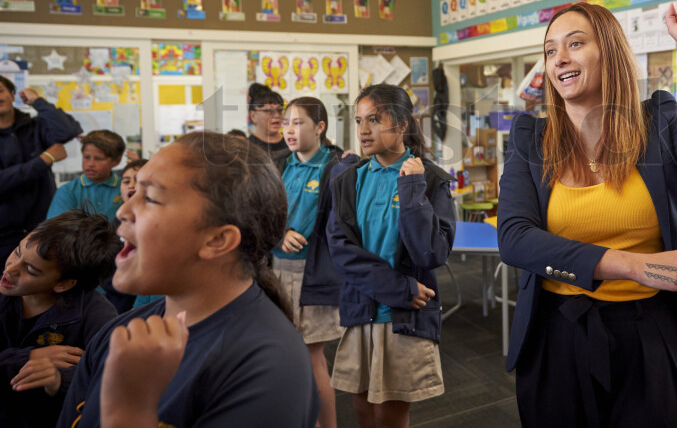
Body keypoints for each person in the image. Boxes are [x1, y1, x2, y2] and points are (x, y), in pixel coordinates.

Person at [497, 2, 677, 427]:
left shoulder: (658, 123)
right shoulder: (530, 138)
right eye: (550, 51)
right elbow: (515, 238)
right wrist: (633, 265)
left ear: (609, 52)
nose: (559, 59)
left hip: (649, 333)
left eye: (575, 44)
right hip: (556, 334)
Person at [56, 131, 319, 427]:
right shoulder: (118, 334)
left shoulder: (269, 366)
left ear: (217, 240)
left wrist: (129, 408)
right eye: (133, 192)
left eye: (151, 198)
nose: (123, 211)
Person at [328, 84, 455, 428]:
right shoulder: (347, 181)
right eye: (359, 121)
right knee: (361, 407)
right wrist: (401, 287)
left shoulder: (430, 180)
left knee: (389, 414)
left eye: (374, 119)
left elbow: (431, 253)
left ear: (401, 125)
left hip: (403, 317)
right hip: (362, 308)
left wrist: (412, 190)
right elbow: (341, 251)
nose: (363, 130)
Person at [0, 210, 119, 428]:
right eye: (17, 252)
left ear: (63, 284)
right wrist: (28, 356)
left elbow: (111, 379)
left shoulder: (98, 316)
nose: (10, 269)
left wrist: (59, 380)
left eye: (31, 270)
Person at [273, 97, 348, 428]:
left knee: (312, 356)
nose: (289, 129)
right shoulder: (277, 165)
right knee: (282, 354)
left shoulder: (336, 168)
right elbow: (262, 213)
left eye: (298, 122)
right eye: (286, 122)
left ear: (320, 128)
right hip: (272, 272)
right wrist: (279, 234)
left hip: (312, 273)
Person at [0, 78, 82, 263]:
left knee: (43, 289)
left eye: (0, 91)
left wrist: (38, 102)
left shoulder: (35, 126)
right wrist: (44, 159)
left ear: (13, 95)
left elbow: (67, 131)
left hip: (42, 228)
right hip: (3, 234)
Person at [102, 158, 149, 313]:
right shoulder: (113, 226)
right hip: (118, 301)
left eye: (138, 180)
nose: (131, 185)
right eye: (126, 181)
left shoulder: (158, 224)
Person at [46, 130, 125, 222]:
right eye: (86, 157)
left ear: (116, 161)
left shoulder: (125, 188)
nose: (90, 164)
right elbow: (56, 230)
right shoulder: (67, 191)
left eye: (98, 159)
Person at [247, 82, 290, 163]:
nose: (277, 115)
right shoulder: (245, 149)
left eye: (280, 110)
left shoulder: (291, 146)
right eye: (269, 111)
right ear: (253, 116)